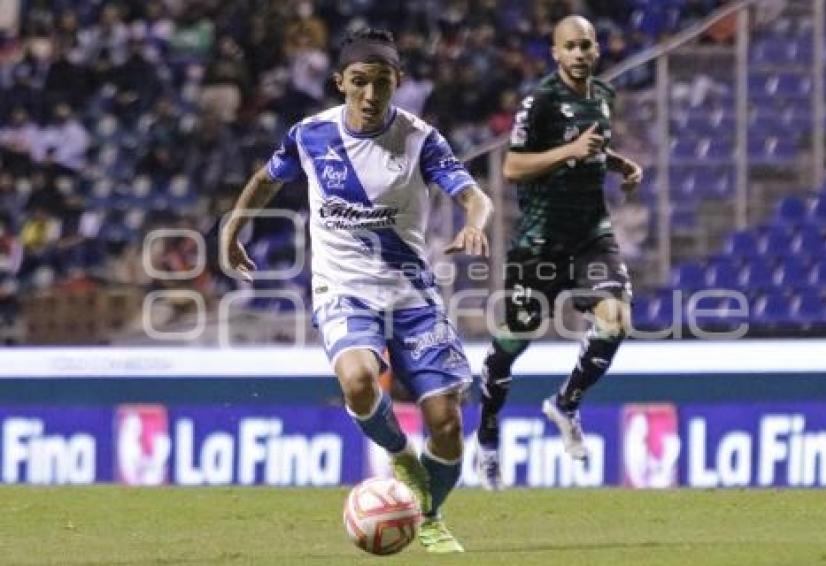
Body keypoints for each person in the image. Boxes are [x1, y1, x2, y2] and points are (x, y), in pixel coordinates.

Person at [220, 28, 492, 553]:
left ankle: (429, 516)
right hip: (344, 290)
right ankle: (399, 454)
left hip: (412, 295)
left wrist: (474, 222)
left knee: (447, 422)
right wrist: (234, 225)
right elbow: (266, 179)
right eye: (360, 83)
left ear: (399, 83)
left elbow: (474, 196)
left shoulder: (420, 139)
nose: (371, 96)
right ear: (340, 82)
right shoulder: (310, 135)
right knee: (359, 380)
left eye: (383, 84)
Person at [474, 16, 643, 490]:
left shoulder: (604, 95)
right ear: (555, 52)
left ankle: (566, 403)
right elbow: (512, 167)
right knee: (513, 343)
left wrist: (617, 162)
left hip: (591, 233)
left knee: (616, 319)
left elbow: (592, 148)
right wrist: (569, 150)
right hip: (540, 241)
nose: (579, 53)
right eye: (570, 46)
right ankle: (487, 437)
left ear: (595, 49)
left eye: (586, 44)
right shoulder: (542, 100)